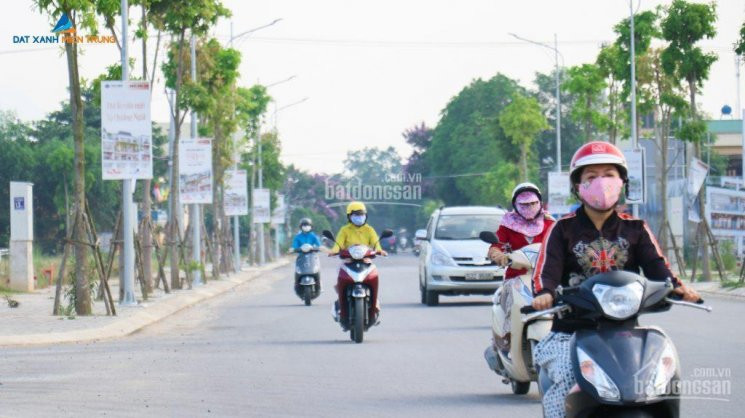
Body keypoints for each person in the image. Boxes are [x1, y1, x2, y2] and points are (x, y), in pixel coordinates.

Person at [530, 141, 700, 418]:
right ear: (578, 186)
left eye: (609, 174)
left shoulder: (636, 229)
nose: (602, 183)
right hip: (569, 333)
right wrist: (545, 293)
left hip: (625, 335)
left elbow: (660, 270)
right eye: (591, 177)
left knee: (661, 376)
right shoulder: (562, 230)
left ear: (622, 181)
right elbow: (546, 272)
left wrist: (678, 288)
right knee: (565, 377)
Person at [487, 182, 555, 353]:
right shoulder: (507, 225)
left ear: (540, 203)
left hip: (545, 276)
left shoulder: (551, 224)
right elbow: (496, 245)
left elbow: (562, 245)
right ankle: (507, 340)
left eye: (533, 203)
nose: (529, 207)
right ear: (515, 206)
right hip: (516, 277)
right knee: (510, 302)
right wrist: (498, 255)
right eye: (524, 204)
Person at [328, 201, 387, 320]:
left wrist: (380, 250)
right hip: (348, 261)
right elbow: (338, 244)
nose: (359, 217)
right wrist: (334, 250)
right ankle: (341, 300)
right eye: (356, 215)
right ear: (349, 216)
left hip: (366, 261)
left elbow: (376, 243)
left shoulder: (369, 230)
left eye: (361, 214)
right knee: (339, 275)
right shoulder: (344, 230)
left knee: (374, 276)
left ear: (366, 216)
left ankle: (374, 302)